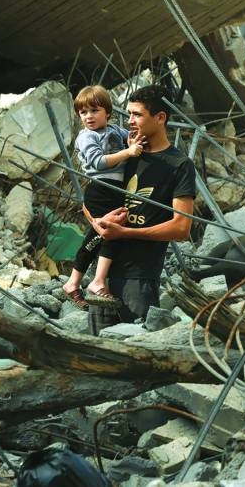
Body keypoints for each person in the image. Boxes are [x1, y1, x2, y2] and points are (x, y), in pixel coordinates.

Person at [86, 85, 197, 336]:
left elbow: (181, 228)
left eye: (137, 114)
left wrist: (124, 233)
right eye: (129, 114)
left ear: (160, 117)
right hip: (100, 274)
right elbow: (89, 199)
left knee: (136, 348)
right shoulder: (124, 154)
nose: (130, 121)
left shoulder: (179, 165)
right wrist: (97, 222)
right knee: (97, 349)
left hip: (139, 279)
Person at [60, 85, 144, 310]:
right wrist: (128, 152)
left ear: (108, 112)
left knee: (96, 237)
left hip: (115, 191)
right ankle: (97, 282)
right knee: (112, 234)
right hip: (100, 190)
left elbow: (134, 138)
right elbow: (98, 162)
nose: (88, 116)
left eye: (94, 110)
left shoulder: (115, 130)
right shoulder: (86, 137)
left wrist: (133, 141)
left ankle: (72, 283)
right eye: (83, 112)